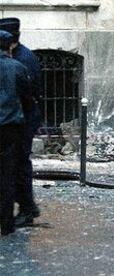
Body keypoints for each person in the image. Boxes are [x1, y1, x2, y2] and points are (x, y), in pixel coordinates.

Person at [0, 17, 41, 227]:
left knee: (19, 166)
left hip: (21, 123)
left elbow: (30, 97)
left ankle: (26, 208)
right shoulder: (17, 58)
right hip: (16, 122)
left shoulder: (24, 59)